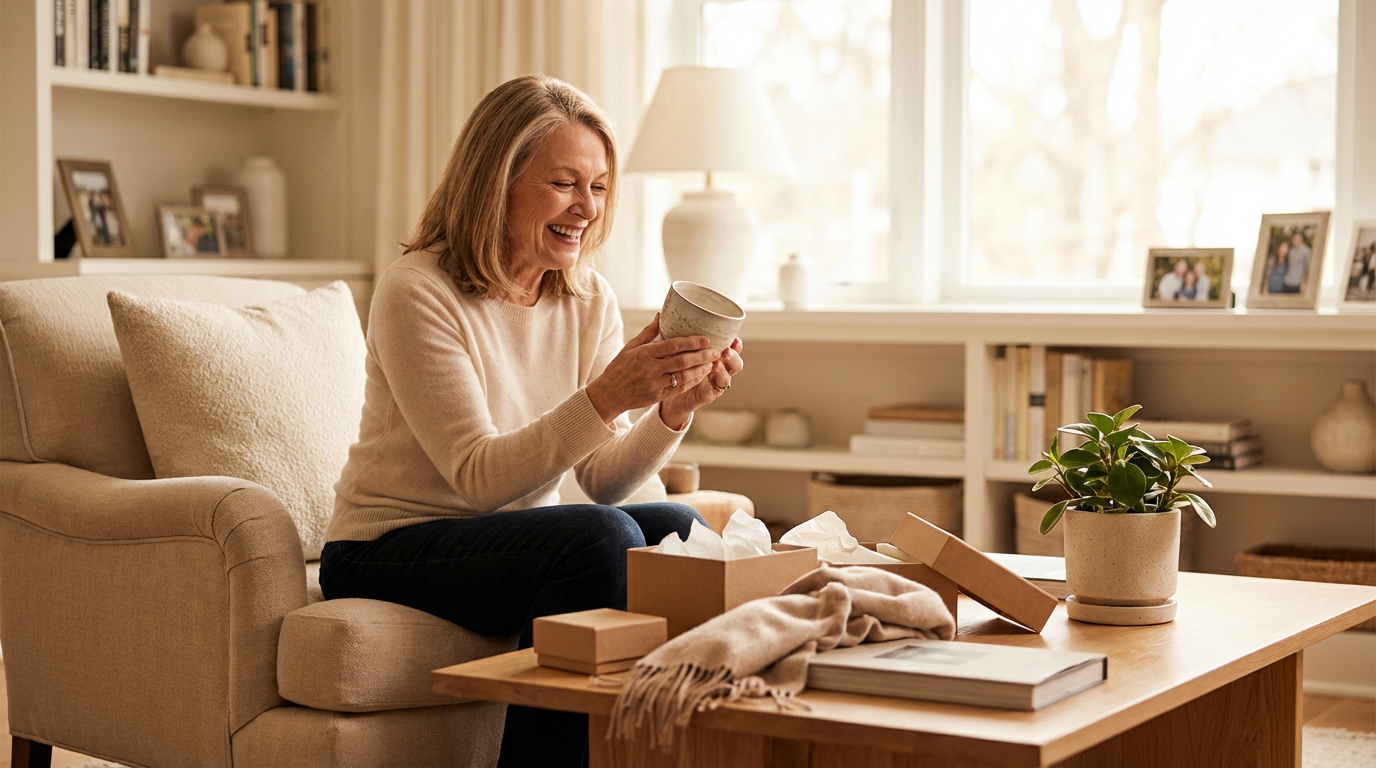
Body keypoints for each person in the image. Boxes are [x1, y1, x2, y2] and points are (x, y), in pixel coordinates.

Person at [319, 74, 744, 767]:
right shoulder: (417, 290)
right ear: (498, 182)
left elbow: (603, 482)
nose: (585, 208)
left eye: (599, 187)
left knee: (679, 533)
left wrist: (671, 411)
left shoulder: (586, 297)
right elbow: (479, 477)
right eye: (564, 183)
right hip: (390, 546)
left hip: (504, 541)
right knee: (602, 541)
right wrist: (607, 396)